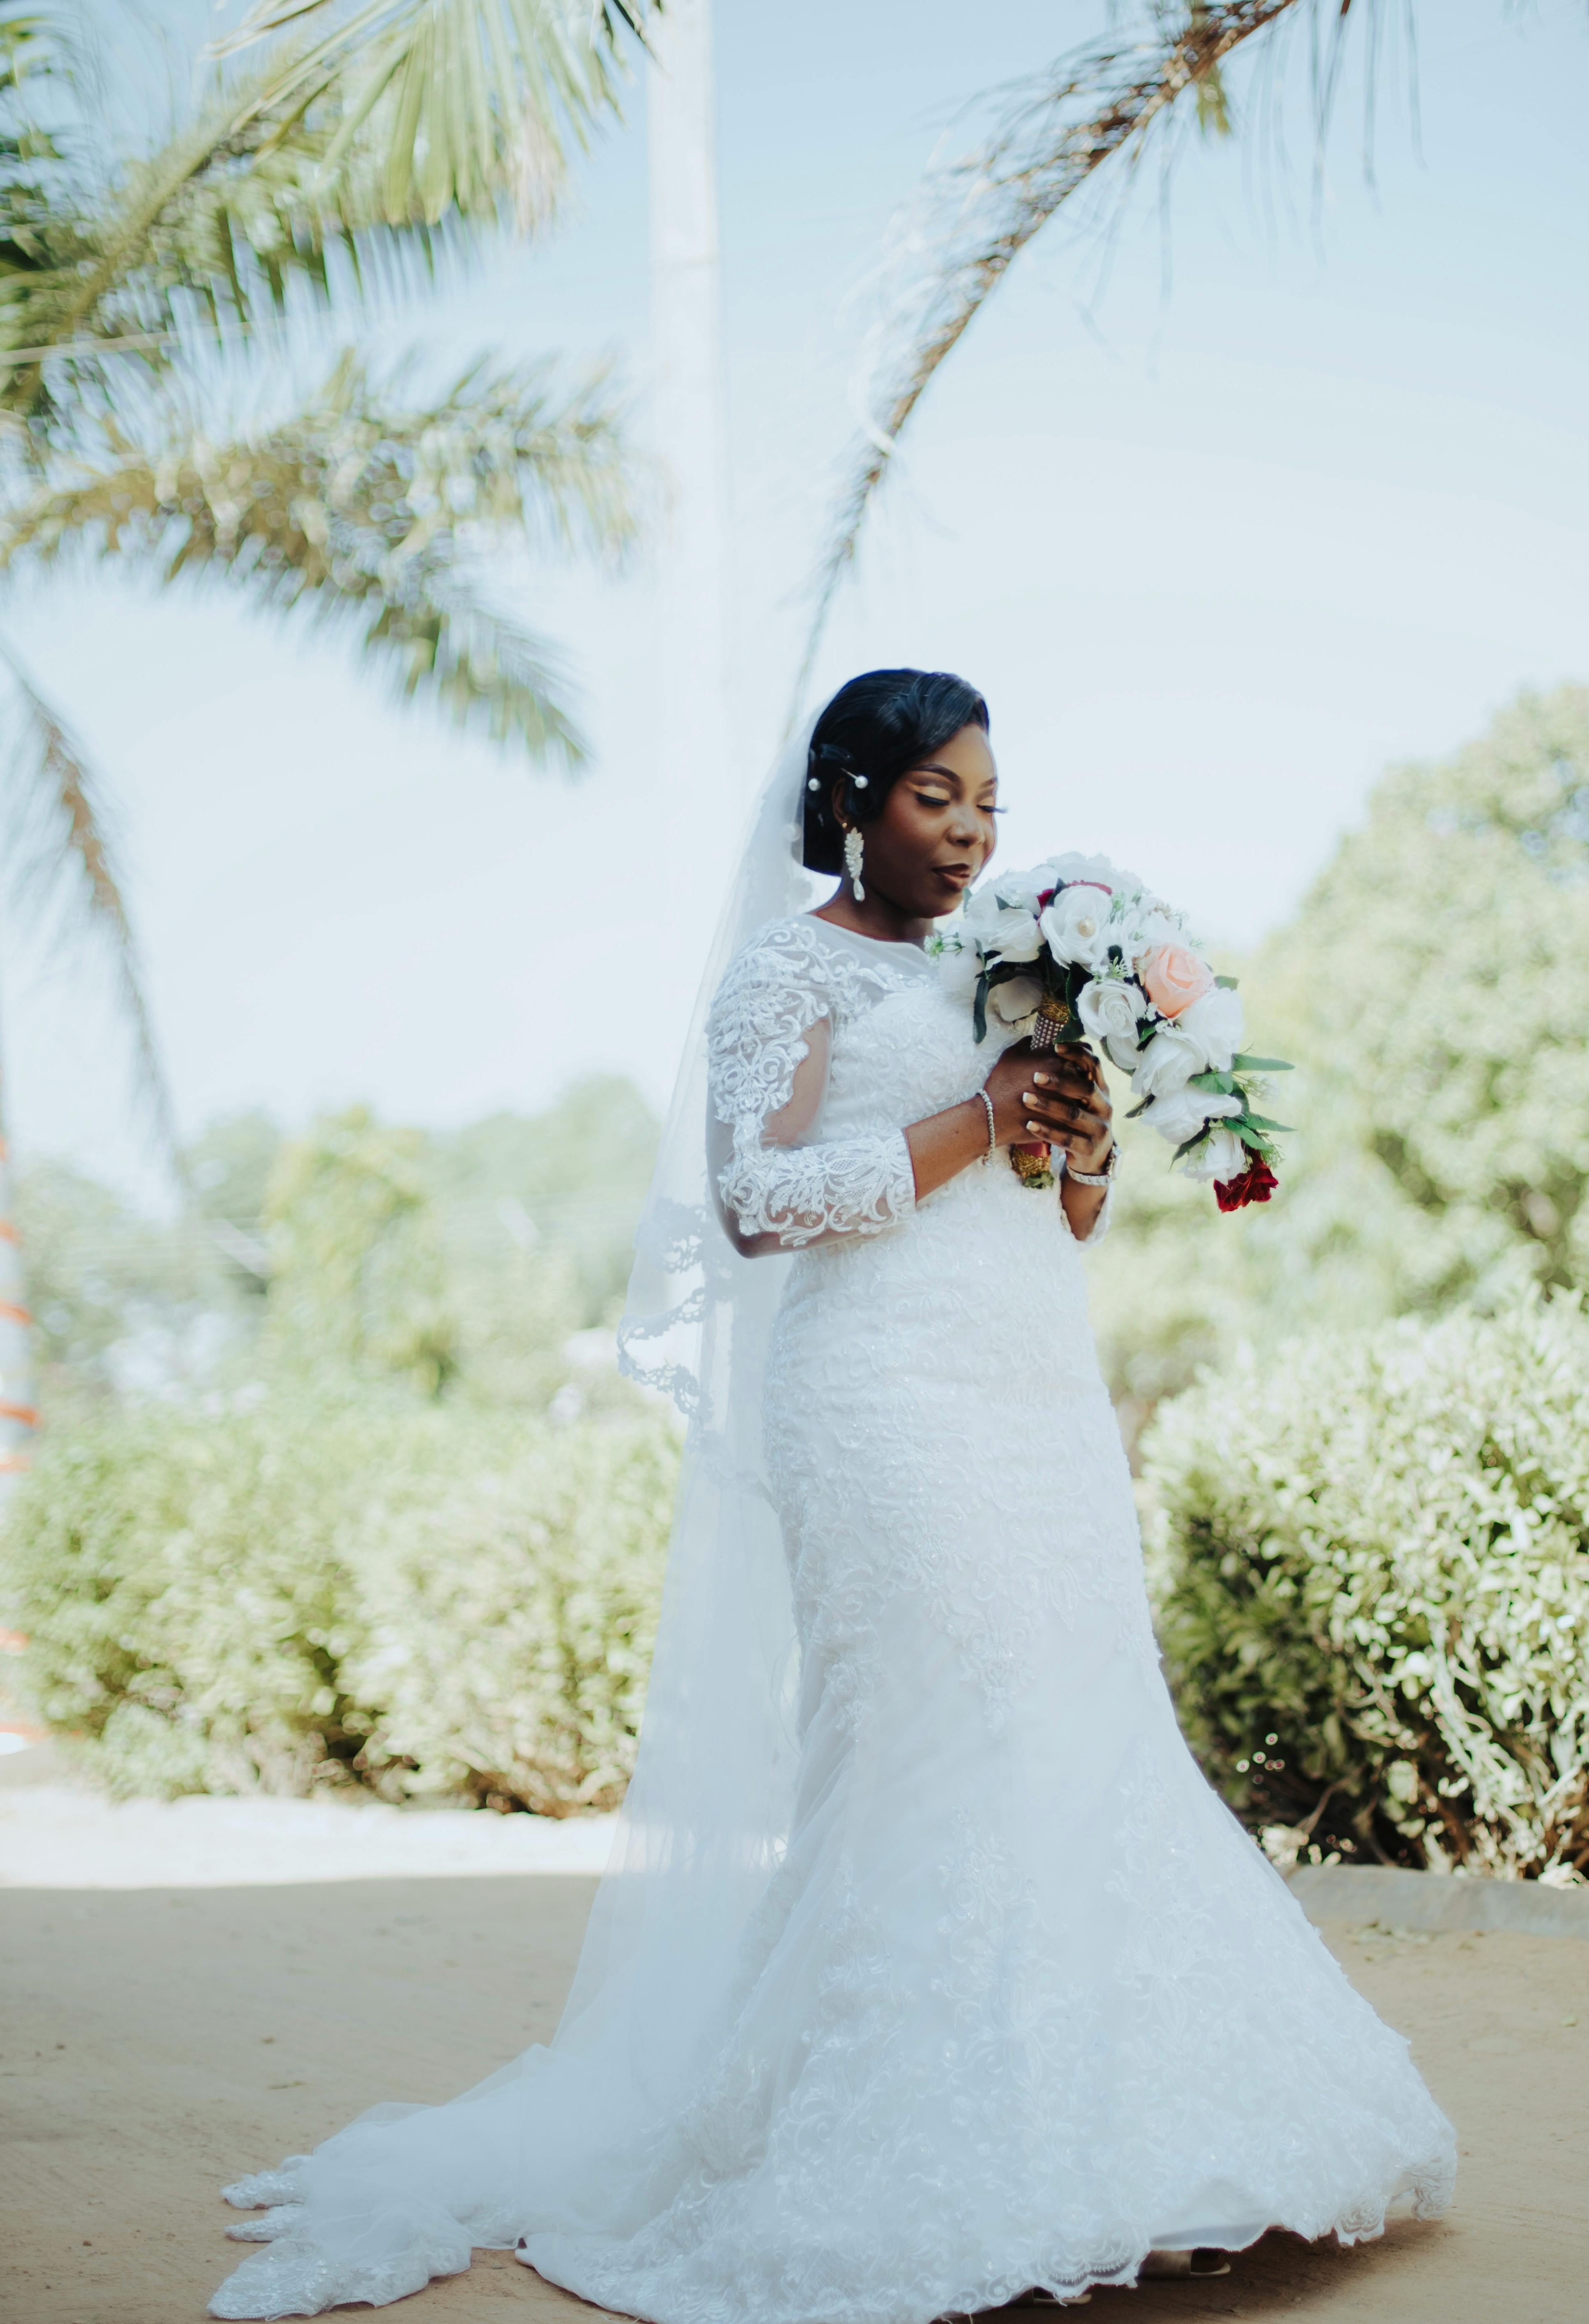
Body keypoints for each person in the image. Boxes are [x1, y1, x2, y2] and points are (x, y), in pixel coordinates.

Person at [211, 670, 1455, 2324]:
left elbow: (1051, 1220)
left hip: (1034, 1395)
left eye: (992, 808)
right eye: (939, 798)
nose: (969, 833)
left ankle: (1123, 2146)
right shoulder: (786, 967)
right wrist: (975, 1113)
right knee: (948, 1740)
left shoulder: (1003, 970)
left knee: (1083, 1726)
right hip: (876, 1402)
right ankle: (914, 2155)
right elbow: (753, 1200)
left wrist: (1072, 1138)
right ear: (853, 797)